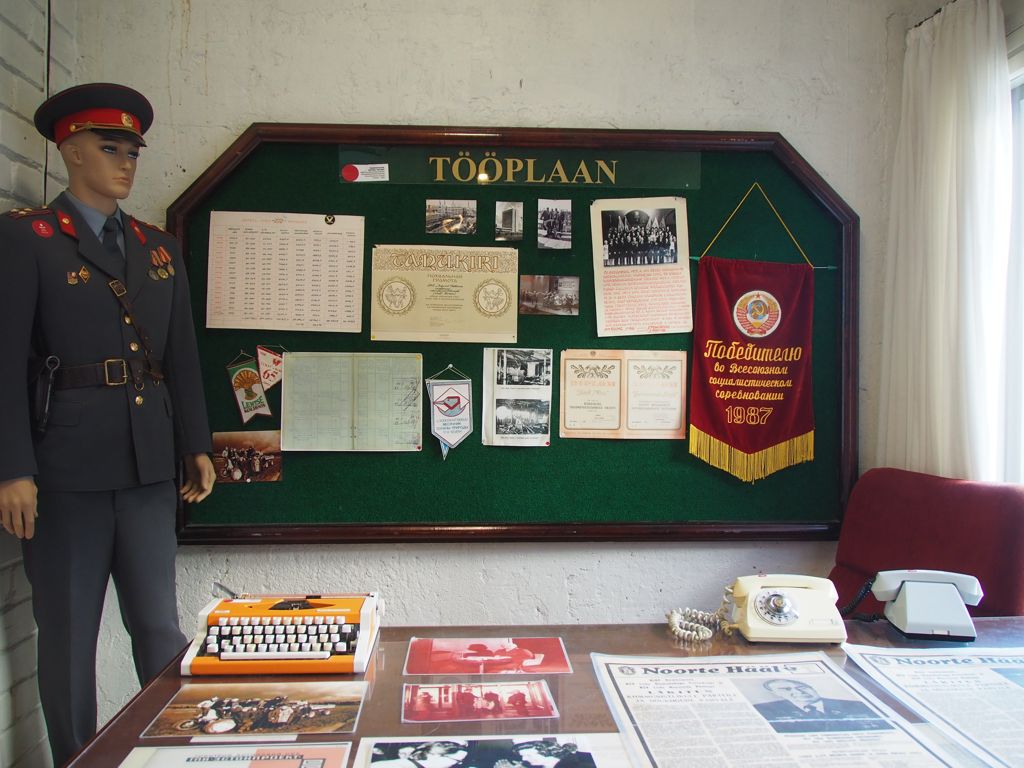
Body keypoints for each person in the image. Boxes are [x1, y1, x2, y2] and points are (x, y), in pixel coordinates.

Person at [0, 82, 215, 766]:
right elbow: (4, 361)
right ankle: (76, 759)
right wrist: (12, 468)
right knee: (68, 636)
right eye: (109, 148)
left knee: (158, 627)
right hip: (64, 471)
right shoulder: (27, 238)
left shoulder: (157, 248)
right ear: (71, 151)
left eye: (132, 152)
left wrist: (196, 444)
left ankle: (171, 753)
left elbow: (181, 356)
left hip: (148, 467)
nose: (125, 164)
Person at [753, 678, 892, 733]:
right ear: (777, 694)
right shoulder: (765, 712)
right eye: (786, 689)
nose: (798, 692)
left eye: (802, 687)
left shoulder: (857, 705)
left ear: (811, 687)